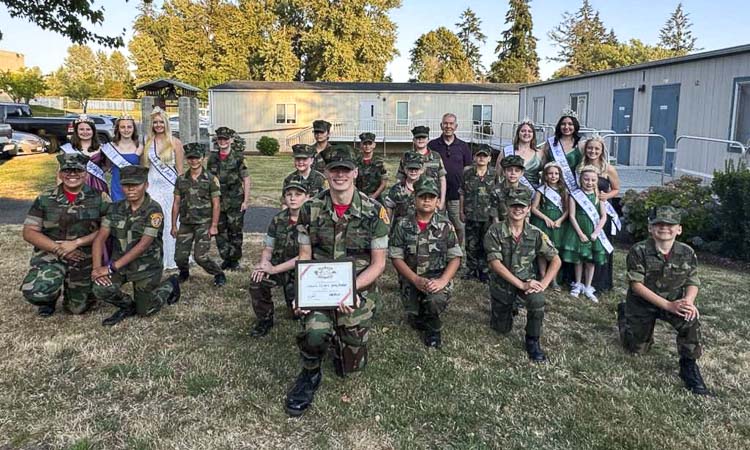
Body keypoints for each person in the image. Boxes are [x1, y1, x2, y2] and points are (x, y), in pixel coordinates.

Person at [285, 144, 389, 417]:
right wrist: (302, 293)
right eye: (334, 170)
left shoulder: (374, 212)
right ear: (326, 173)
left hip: (357, 287)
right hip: (318, 287)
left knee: (350, 369)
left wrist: (350, 290)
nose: (339, 175)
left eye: (345, 170)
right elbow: (304, 255)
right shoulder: (311, 209)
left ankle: (343, 338)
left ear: (355, 172)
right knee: (315, 332)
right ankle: (309, 372)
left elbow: (378, 264)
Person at [617, 206, 710, 396]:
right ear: (650, 228)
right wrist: (667, 305)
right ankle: (624, 315)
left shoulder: (687, 252)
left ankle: (688, 366)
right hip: (642, 303)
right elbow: (636, 285)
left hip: (673, 301)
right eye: (658, 224)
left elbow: (692, 280)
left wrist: (689, 302)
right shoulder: (639, 250)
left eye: (670, 224)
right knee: (637, 349)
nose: (664, 228)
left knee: (690, 320)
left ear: (679, 229)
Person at [20, 153, 109, 316]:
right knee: (36, 291)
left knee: (77, 309)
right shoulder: (45, 198)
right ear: (60, 173)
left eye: (77, 170)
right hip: (51, 253)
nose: (72, 174)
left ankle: (82, 292)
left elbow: (107, 229)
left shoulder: (100, 197)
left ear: (85, 174)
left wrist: (77, 243)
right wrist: (59, 248)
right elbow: (29, 232)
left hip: (83, 256)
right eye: (67, 170)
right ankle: (49, 299)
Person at [91, 165, 181, 326]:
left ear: (146, 185)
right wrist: (97, 269)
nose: (131, 189)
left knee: (146, 311)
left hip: (146, 267)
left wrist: (111, 268)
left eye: (136, 184)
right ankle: (127, 306)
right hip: (121, 266)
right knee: (100, 288)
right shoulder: (115, 208)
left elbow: (143, 245)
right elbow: (100, 238)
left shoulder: (154, 210)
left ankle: (169, 285)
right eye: (126, 185)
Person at [484, 189, 561, 362]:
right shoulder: (494, 231)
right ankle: (507, 308)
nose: (517, 210)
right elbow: (495, 264)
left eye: (522, 206)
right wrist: (521, 285)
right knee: (500, 329)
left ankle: (532, 340)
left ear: (528, 209)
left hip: (526, 280)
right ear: (507, 207)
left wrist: (544, 284)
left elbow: (555, 259)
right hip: (502, 285)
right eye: (514, 206)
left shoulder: (535, 233)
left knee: (537, 300)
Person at [389, 177, 462, 348]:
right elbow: (396, 257)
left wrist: (443, 281)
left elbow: (455, 257)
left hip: (436, 278)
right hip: (411, 278)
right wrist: (415, 280)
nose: (427, 200)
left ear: (438, 201)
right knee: (415, 319)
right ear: (414, 199)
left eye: (431, 197)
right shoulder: (402, 224)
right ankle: (418, 311)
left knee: (434, 302)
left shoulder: (446, 225)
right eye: (422, 196)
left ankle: (434, 329)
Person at [248, 180, 308, 337]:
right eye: (289, 195)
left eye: (298, 194)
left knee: (297, 314)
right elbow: (268, 249)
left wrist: (273, 269)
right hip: (280, 265)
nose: (293, 198)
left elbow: (304, 257)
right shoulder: (278, 219)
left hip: (303, 271)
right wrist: (263, 264)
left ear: (307, 198)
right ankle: (265, 319)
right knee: (257, 279)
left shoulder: (313, 221)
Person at [172, 143, 226, 287]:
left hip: (204, 223)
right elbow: (176, 203)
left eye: (197, 158)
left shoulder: (211, 179)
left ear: (203, 158)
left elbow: (216, 204)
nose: (193, 161)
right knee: (179, 257)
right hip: (186, 223)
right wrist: (173, 225)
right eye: (190, 158)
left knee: (200, 257)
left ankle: (218, 273)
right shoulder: (181, 179)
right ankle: (184, 273)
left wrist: (214, 225)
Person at [142, 106, 184, 269]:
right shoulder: (147, 141)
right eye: (155, 122)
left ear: (166, 123)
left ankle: (173, 258)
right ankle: (155, 257)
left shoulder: (175, 142)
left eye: (161, 122)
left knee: (171, 220)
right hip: (152, 185)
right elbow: (145, 166)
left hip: (170, 186)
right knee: (154, 220)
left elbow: (180, 171)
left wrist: (181, 191)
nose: (158, 125)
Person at [559, 165, 609, 303]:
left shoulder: (599, 197)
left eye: (593, 180)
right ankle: (578, 283)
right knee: (578, 259)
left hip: (593, 231)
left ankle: (588, 286)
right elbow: (572, 216)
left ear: (597, 181)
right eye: (586, 179)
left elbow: (603, 216)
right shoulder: (575, 195)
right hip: (578, 231)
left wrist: (596, 232)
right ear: (581, 179)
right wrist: (580, 233)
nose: (589, 182)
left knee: (591, 260)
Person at [579, 136, 621, 293]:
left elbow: (616, 189)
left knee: (600, 247)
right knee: (583, 246)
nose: (593, 151)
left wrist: (606, 196)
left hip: (601, 214)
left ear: (602, 151)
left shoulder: (608, 169)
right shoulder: (580, 166)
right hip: (583, 213)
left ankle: (600, 282)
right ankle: (580, 280)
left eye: (597, 149)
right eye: (590, 148)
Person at [206, 126, 251, 271]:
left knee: (235, 232)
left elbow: (246, 179)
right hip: (218, 201)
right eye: (220, 139)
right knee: (220, 231)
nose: (222, 142)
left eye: (225, 139)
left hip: (235, 200)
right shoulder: (212, 158)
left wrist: (246, 200)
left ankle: (235, 260)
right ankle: (226, 258)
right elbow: (209, 179)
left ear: (231, 140)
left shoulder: (238, 157)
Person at [429, 113, 472, 245]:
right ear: (441, 125)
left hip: (456, 194)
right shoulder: (433, 145)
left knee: (459, 227)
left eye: (451, 123)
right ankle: (439, 252)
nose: (448, 126)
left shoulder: (463, 146)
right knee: (436, 226)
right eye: (445, 123)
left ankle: (456, 253)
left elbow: (468, 169)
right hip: (436, 194)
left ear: (456, 126)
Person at [459, 144, 496, 282]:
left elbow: (497, 195)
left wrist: (495, 215)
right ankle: (471, 269)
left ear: (489, 158)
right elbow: (462, 192)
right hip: (471, 214)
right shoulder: (467, 173)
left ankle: (484, 271)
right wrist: (461, 211)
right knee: (471, 244)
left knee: (485, 244)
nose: (481, 158)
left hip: (487, 216)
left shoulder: (494, 174)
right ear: (474, 157)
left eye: (484, 156)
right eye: (479, 155)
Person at [531, 162, 569, 291]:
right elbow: (534, 208)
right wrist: (545, 218)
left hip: (558, 223)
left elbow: (568, 210)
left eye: (556, 173)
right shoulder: (541, 190)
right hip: (543, 221)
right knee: (543, 250)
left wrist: (560, 220)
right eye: (550, 173)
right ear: (545, 176)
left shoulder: (564, 191)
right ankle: (543, 275)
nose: (553, 176)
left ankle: (554, 278)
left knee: (555, 250)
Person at [398, 126, 447, 209]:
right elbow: (400, 178)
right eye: (418, 138)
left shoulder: (436, 156)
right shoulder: (406, 156)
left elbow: (442, 179)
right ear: (413, 140)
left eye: (423, 137)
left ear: (428, 139)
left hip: (431, 200)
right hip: (411, 201)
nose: (420, 140)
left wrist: (442, 201)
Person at [60, 114, 109, 194]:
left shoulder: (103, 148)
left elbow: (106, 166)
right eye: (81, 129)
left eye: (88, 129)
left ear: (93, 131)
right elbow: (60, 173)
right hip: (75, 186)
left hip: (98, 186)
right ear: (76, 131)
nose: (85, 132)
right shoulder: (67, 149)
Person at [102, 115, 142, 202]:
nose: (126, 130)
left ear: (133, 129)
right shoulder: (110, 147)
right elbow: (107, 167)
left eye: (129, 127)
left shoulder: (140, 147)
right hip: (117, 187)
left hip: (135, 187)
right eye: (123, 127)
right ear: (118, 129)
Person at [497, 120, 543, 188]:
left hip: (533, 194)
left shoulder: (540, 153)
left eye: (529, 131)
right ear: (518, 133)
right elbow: (498, 174)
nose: (526, 133)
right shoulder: (506, 151)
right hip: (510, 192)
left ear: (533, 134)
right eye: (523, 131)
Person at [490, 155, 534, 223]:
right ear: (504, 172)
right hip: (501, 227)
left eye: (517, 171)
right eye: (509, 170)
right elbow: (495, 217)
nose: (513, 173)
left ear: (522, 173)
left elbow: (527, 215)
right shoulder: (496, 191)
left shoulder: (526, 191)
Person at [383, 152, 424, 224]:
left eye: (416, 169)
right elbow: (389, 207)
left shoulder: (427, 188)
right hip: (400, 231)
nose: (413, 171)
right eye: (410, 168)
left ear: (421, 170)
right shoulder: (396, 189)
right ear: (405, 169)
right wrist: (388, 226)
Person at [355, 132, 388, 199]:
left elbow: (384, 183)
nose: (367, 146)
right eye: (365, 144)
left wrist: (374, 196)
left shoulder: (379, 162)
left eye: (370, 144)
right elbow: (352, 181)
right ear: (361, 145)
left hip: (376, 197)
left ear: (374, 145)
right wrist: (358, 195)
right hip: (359, 197)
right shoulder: (356, 162)